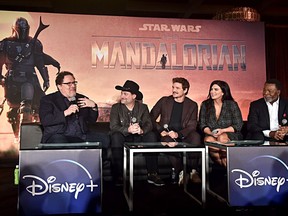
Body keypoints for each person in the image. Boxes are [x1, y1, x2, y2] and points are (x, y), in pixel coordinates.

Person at [0, 17, 60, 141]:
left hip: (31, 80)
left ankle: (35, 138)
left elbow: (39, 61)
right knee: (14, 111)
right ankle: (19, 138)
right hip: (13, 81)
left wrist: (46, 78)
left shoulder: (35, 44)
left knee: (38, 106)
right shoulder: (5, 44)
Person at [39, 71, 110, 156]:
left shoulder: (81, 98)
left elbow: (91, 120)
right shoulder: (48, 100)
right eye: (68, 83)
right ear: (59, 86)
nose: (73, 86)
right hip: (59, 135)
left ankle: (96, 166)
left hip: (81, 135)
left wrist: (93, 107)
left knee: (105, 139)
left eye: (74, 83)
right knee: (60, 142)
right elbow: (46, 120)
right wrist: (65, 113)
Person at [109, 80, 164, 186]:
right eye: (122, 93)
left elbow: (149, 124)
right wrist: (127, 129)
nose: (122, 96)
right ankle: (119, 176)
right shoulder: (116, 108)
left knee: (151, 135)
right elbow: (113, 126)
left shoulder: (143, 107)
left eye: (125, 94)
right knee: (115, 136)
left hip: (139, 137)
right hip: (124, 138)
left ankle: (152, 173)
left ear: (134, 96)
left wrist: (142, 130)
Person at [150, 77, 202, 185]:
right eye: (173, 87)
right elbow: (150, 117)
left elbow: (192, 126)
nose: (174, 90)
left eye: (177, 88)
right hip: (167, 134)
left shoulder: (192, 105)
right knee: (168, 140)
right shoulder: (164, 101)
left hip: (183, 134)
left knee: (196, 137)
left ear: (185, 90)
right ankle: (182, 171)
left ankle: (193, 171)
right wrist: (160, 130)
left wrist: (178, 134)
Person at [199, 80, 243, 167]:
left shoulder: (232, 104)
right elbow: (202, 124)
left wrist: (223, 130)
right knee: (208, 140)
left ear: (223, 92)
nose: (212, 92)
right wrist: (211, 133)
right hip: (211, 134)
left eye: (216, 89)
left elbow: (238, 125)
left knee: (222, 137)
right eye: (211, 89)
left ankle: (226, 166)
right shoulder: (205, 104)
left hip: (230, 134)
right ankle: (223, 165)